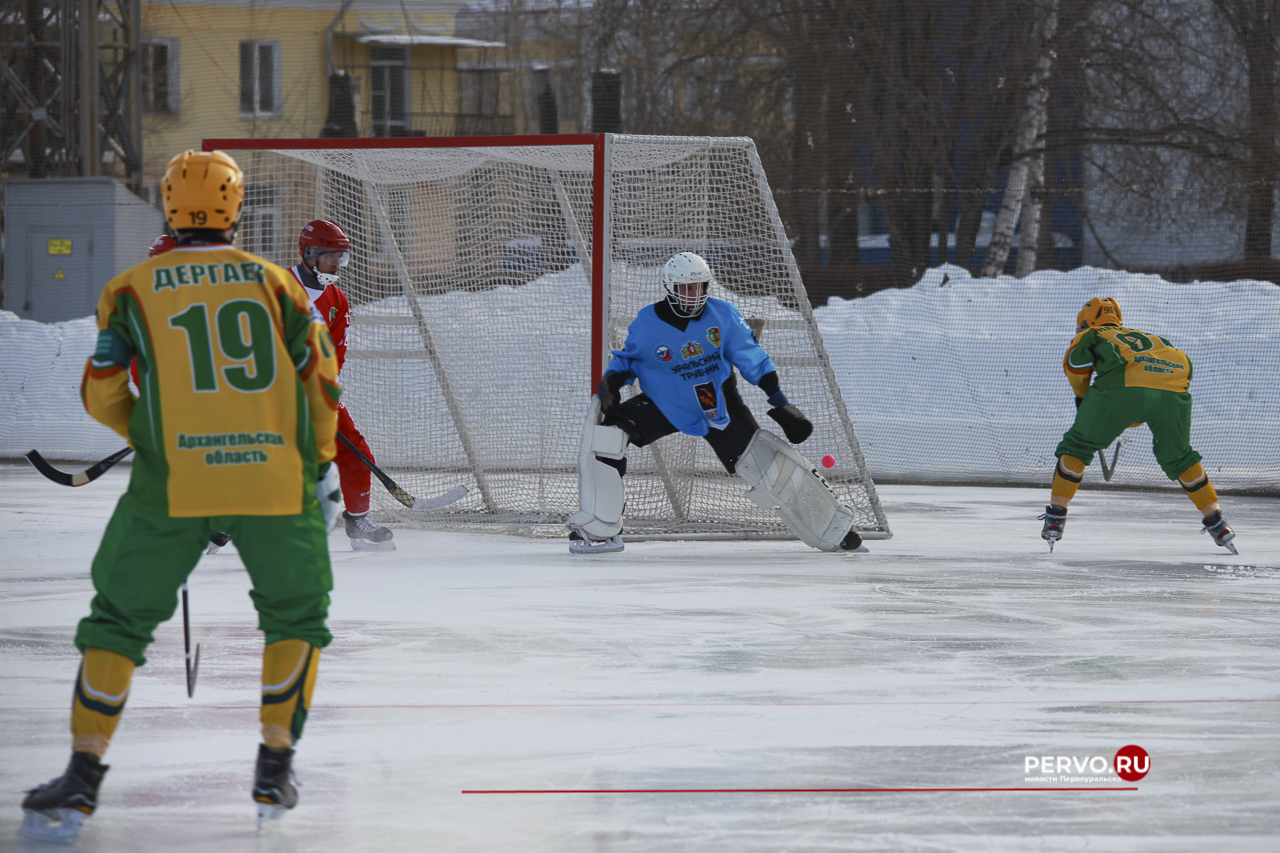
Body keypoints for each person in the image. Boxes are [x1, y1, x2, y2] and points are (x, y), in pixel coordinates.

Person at [19, 150, 343, 842]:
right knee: (296, 617)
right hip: (272, 481)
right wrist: (315, 458)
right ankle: (274, 765)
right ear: (234, 206)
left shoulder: (131, 288)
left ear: (169, 205)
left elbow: (101, 389)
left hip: (172, 483)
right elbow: (322, 379)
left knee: (117, 620)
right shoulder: (279, 285)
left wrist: (150, 431)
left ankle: (81, 775)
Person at [567, 251, 865, 554]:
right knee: (606, 437)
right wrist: (612, 383)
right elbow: (627, 360)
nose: (692, 295)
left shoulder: (723, 315)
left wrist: (781, 403)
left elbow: (753, 359)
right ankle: (601, 524)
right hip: (667, 405)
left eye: (698, 288)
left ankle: (834, 527)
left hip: (719, 409)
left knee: (771, 468)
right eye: (685, 288)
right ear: (670, 287)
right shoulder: (647, 323)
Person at [1040, 296, 1236, 554]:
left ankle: (1056, 517)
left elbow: (1076, 366)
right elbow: (1184, 363)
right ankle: (1216, 521)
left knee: (1077, 446)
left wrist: (1084, 397)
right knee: (1179, 456)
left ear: (1086, 322)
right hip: (1173, 389)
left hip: (1121, 389)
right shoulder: (1151, 338)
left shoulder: (1092, 333)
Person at [286, 219, 395, 551]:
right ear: (309, 254)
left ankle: (357, 520)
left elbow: (336, 351)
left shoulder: (337, 298)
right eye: (331, 256)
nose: (337, 264)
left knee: (354, 450)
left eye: (341, 257)